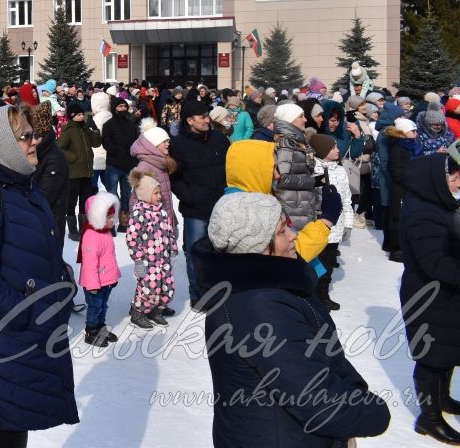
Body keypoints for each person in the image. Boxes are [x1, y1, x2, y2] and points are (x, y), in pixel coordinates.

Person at [192, 193, 391, 447]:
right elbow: (313, 396)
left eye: (287, 224)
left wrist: (352, 390)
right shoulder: (260, 308)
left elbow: (317, 354)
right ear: (257, 246)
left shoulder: (260, 287)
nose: (293, 234)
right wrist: (373, 413)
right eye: (280, 231)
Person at [0, 105, 78, 447]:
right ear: (4, 144)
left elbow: (38, 248)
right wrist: (27, 312)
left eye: (34, 135)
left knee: (12, 426)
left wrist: (62, 279)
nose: (34, 142)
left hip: (27, 334)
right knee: (4, 430)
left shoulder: (22, 186)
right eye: (25, 136)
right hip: (6, 335)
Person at [399, 153, 460, 444]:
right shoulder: (423, 212)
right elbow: (437, 264)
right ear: (436, 179)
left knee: (446, 352)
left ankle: (443, 399)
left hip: (442, 295)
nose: (458, 182)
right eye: (453, 177)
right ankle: (429, 418)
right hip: (427, 295)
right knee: (431, 357)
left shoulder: (435, 202)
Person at [168, 100, 229, 306]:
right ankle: (199, 295)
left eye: (207, 116)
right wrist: (190, 196)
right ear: (189, 120)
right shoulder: (178, 144)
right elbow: (174, 177)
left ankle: (218, 290)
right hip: (195, 209)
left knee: (220, 252)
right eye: (202, 117)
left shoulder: (220, 139)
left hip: (221, 205)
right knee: (196, 253)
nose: (207, 120)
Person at [126, 171, 176, 329]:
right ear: (145, 194)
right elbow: (132, 237)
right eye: (155, 193)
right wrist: (139, 258)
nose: (159, 196)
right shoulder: (139, 213)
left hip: (164, 258)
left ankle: (155, 310)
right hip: (147, 260)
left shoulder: (161, 211)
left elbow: (168, 230)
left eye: (159, 192)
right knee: (149, 287)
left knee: (166, 287)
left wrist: (172, 246)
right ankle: (138, 312)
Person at [309, 134, 353, 311]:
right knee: (314, 263)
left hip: (335, 227)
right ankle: (311, 296)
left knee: (327, 265)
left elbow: (346, 198)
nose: (337, 150)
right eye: (333, 147)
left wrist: (348, 222)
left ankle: (322, 294)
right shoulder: (313, 170)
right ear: (322, 150)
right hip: (317, 226)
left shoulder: (340, 170)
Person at [77, 191, 121, 346]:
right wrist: (92, 285)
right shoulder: (91, 236)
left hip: (106, 280)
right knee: (95, 307)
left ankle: (101, 327)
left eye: (113, 217)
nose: (112, 221)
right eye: (108, 218)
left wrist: (114, 276)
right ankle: (91, 331)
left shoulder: (105, 233)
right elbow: (89, 264)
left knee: (103, 306)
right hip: (94, 284)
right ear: (98, 217)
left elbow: (110, 258)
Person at [57, 101, 102, 241]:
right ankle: (72, 230)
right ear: (72, 116)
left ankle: (83, 228)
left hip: (87, 172)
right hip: (73, 173)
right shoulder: (68, 130)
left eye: (82, 114)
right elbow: (59, 148)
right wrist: (73, 157)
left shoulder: (85, 129)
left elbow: (96, 143)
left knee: (85, 201)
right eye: (79, 114)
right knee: (71, 202)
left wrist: (95, 129)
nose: (82, 116)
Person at [273, 103, 318, 231]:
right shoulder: (286, 142)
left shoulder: (297, 140)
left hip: (299, 205)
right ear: (289, 119)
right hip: (292, 207)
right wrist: (313, 181)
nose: (305, 120)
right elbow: (283, 178)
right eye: (301, 116)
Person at [385, 117, 422, 264]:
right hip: (401, 188)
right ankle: (396, 248)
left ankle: (405, 245)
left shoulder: (410, 146)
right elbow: (397, 171)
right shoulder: (398, 148)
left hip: (410, 186)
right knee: (398, 217)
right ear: (404, 132)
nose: (416, 134)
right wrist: (411, 180)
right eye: (413, 131)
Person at [31, 101, 69, 239]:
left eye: (33, 137)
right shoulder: (41, 152)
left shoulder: (53, 158)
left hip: (50, 222)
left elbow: (45, 196)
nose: (31, 142)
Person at [102, 96, 138, 232]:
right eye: (120, 106)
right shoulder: (109, 124)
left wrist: (134, 158)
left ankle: (124, 222)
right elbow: (105, 141)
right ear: (114, 109)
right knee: (111, 194)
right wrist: (115, 150)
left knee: (127, 195)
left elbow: (136, 142)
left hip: (128, 165)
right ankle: (111, 222)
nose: (123, 109)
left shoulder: (131, 125)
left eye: (124, 106)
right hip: (114, 164)